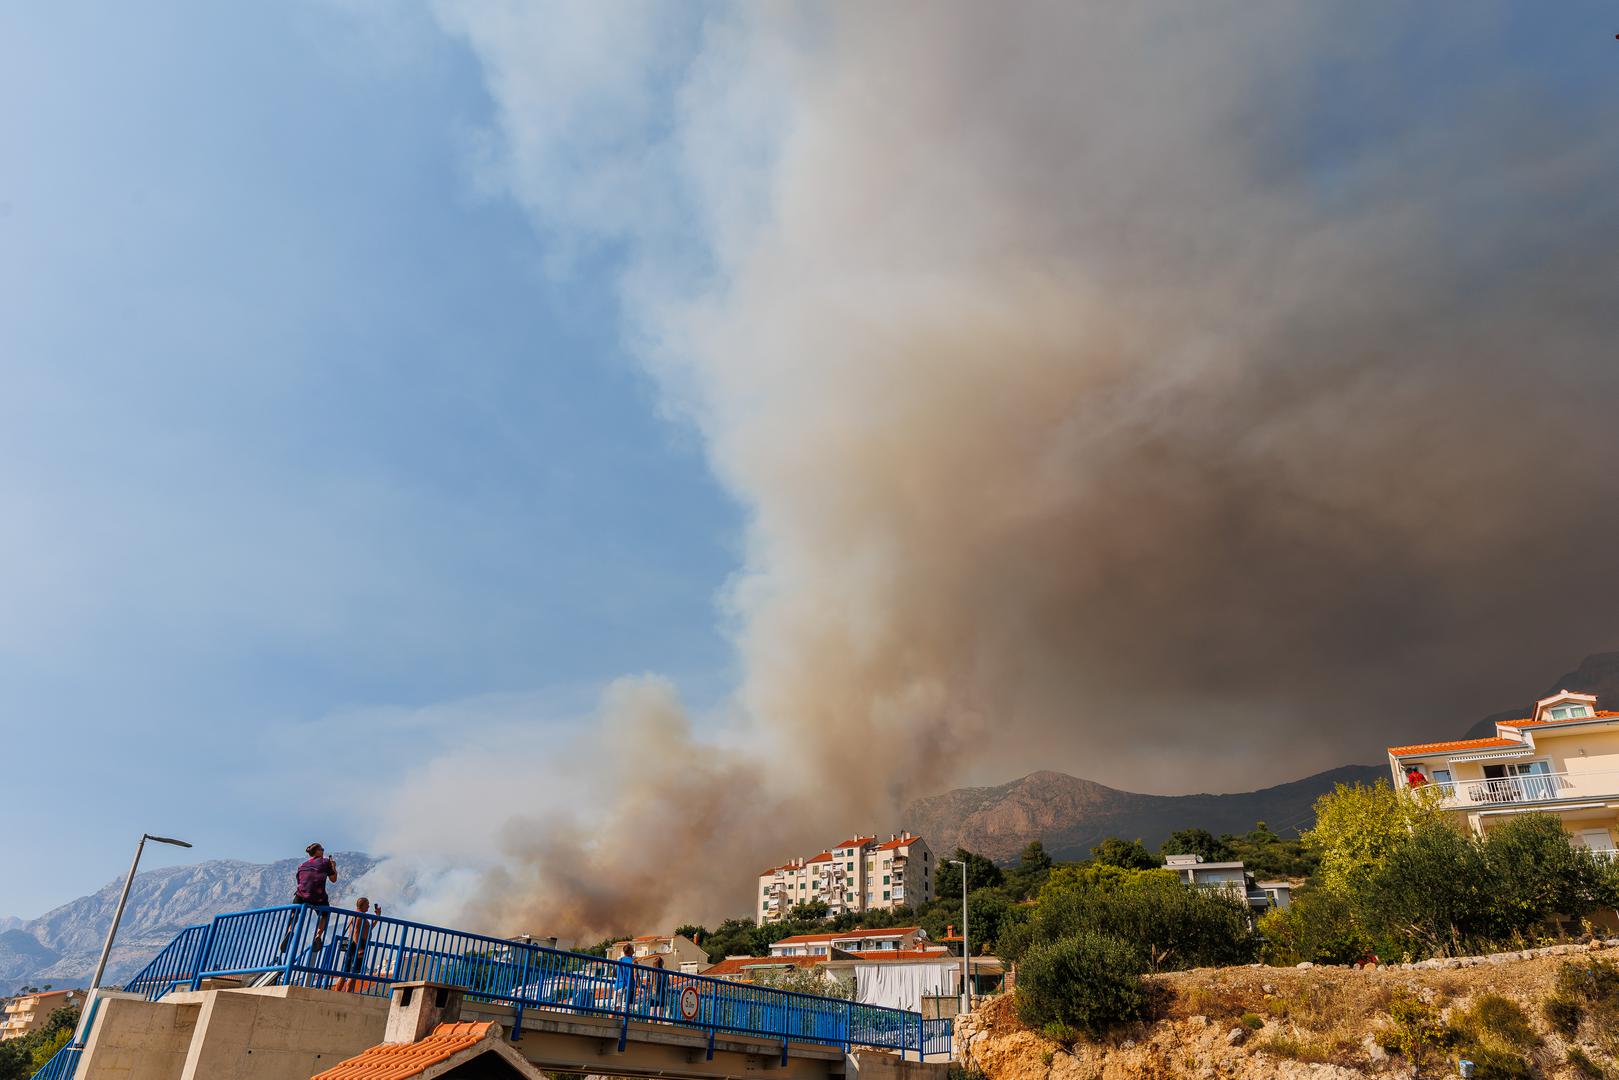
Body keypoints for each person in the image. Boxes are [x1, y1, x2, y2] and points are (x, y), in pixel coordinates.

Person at [279, 843, 338, 959]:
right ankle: (318, 936)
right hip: (318, 896)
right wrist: (333, 866)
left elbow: (299, 881)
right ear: (317, 852)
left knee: (294, 913)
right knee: (325, 915)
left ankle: (290, 930)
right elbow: (333, 879)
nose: (323, 851)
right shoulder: (326, 862)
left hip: (301, 895)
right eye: (322, 849)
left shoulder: (302, 865)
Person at [614, 944, 637, 1010]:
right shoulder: (633, 961)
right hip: (628, 987)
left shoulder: (619, 960)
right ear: (630, 950)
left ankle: (611, 1020)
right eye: (632, 949)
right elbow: (636, 974)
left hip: (618, 986)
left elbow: (615, 974)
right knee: (625, 1009)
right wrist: (639, 985)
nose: (633, 950)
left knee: (615, 1008)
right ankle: (623, 1020)